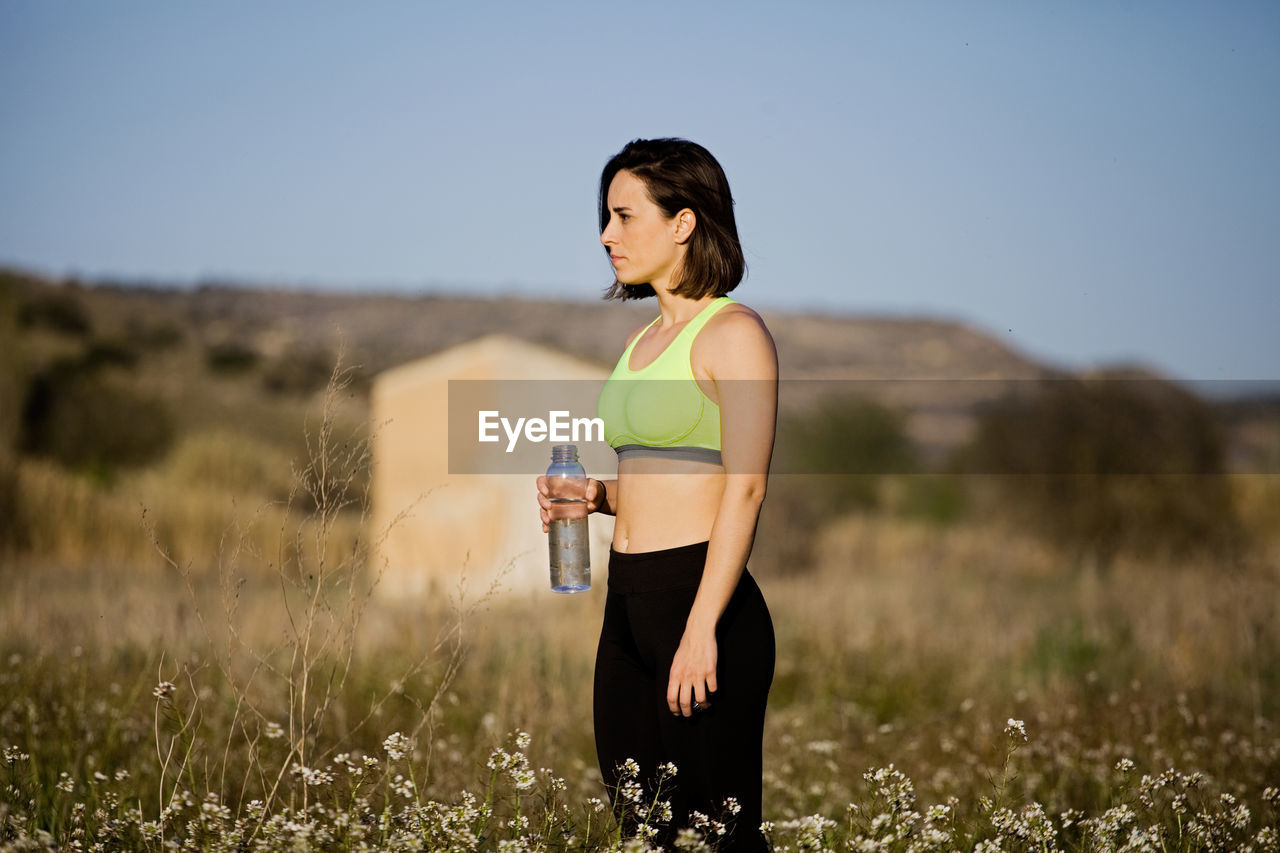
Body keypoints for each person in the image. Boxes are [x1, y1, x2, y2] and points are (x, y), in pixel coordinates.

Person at [537, 138, 778, 851]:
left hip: (699, 599)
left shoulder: (734, 334)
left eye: (624, 215)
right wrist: (595, 495)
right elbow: (661, 476)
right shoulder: (643, 341)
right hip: (628, 601)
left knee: (716, 833)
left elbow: (746, 486)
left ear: (683, 222)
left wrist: (703, 627)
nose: (607, 235)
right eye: (604, 218)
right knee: (642, 827)